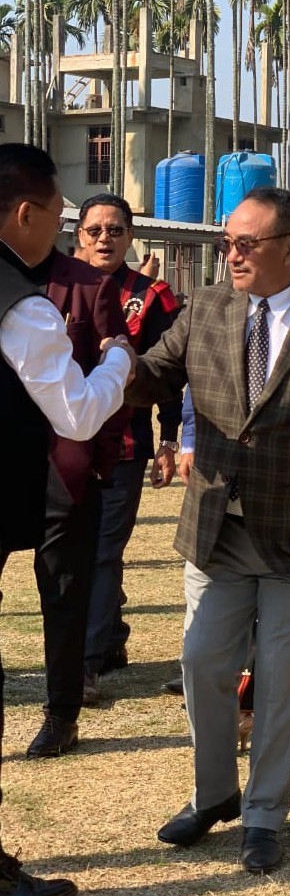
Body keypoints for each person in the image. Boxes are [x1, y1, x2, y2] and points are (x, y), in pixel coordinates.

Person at [124, 187, 290, 873]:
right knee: (204, 661)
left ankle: (265, 813)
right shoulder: (206, 308)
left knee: (282, 681)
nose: (231, 254)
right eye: (226, 242)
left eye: (247, 243)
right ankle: (215, 795)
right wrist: (108, 370)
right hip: (219, 527)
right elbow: (157, 372)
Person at [0, 143, 133, 896]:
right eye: (57, 215)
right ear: (27, 212)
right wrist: (116, 358)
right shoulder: (24, 303)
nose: (63, 229)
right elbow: (78, 408)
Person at [22, 247, 129, 758]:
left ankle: (61, 713)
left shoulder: (88, 285)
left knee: (63, 590)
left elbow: (112, 366)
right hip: (7, 459)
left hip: (61, 466)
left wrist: (100, 460)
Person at [76, 195, 182, 703]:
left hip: (124, 443)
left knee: (102, 550)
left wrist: (168, 439)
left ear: (131, 237)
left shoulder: (153, 296)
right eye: (94, 229)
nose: (104, 239)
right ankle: (112, 637)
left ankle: (86, 665)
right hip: (66, 440)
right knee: (76, 548)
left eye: (115, 230)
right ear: (78, 235)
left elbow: (170, 375)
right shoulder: (58, 287)